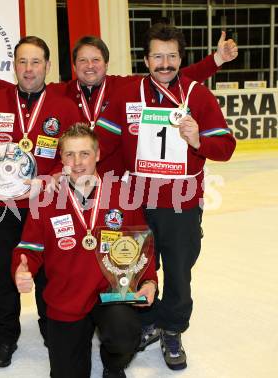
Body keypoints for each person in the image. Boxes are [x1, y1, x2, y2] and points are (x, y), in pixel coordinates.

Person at [95, 23, 236, 370]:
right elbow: (102, 143)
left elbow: (227, 146)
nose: (165, 63)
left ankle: (172, 328)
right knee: (139, 266)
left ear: (180, 58)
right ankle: (145, 323)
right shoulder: (128, 93)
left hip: (181, 202)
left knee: (177, 271)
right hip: (136, 201)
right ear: (145, 59)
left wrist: (198, 140)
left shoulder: (198, 96)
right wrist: (80, 170)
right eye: (157, 55)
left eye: (171, 56)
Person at [0, 32, 237, 176]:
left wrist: (216, 61)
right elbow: (22, 87)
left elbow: (170, 75)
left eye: (96, 60)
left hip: (115, 182)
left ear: (106, 63)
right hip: (76, 179)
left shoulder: (125, 88)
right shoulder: (61, 93)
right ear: (73, 65)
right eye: (82, 61)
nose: (89, 66)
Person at [0, 36, 80, 368]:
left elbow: (75, 159)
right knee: (3, 273)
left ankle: (51, 328)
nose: (29, 69)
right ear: (13, 65)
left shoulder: (64, 107)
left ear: (47, 65)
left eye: (35, 62)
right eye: (22, 62)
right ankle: (5, 336)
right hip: (1, 207)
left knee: (50, 272)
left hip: (46, 207)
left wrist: (50, 180)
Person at [12, 123, 158, 378]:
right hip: (67, 297)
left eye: (84, 153)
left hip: (111, 292)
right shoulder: (46, 200)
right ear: (61, 158)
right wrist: (21, 270)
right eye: (69, 154)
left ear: (98, 154)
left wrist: (149, 281)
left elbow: (141, 246)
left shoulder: (122, 195)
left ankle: (113, 366)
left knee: (126, 333)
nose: (77, 162)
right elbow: (29, 248)